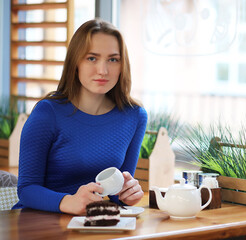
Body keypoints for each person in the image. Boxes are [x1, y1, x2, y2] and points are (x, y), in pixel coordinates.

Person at [12, 19, 147, 215]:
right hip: (40, 223)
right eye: (92, 58)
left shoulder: (134, 116)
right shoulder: (47, 113)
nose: (103, 70)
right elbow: (27, 190)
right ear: (76, 62)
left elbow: (116, 192)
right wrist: (68, 202)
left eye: (113, 59)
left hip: (93, 223)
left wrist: (128, 193)